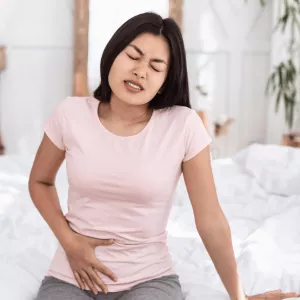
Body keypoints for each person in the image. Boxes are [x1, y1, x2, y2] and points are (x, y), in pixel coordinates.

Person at [28, 12, 297, 300]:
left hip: (149, 281)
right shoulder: (70, 113)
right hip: (70, 277)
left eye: (156, 67)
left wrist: (238, 296)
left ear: (166, 80)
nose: (140, 71)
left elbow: (210, 219)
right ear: (113, 54)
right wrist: (69, 242)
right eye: (133, 56)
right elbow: (40, 182)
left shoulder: (183, 125)